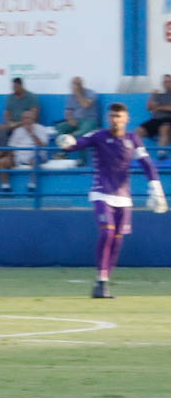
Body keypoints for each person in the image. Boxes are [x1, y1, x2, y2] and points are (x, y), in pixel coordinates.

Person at [59, 103, 164, 298]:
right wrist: (67, 143)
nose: (115, 119)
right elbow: (78, 143)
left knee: (117, 240)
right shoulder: (99, 136)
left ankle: (104, 283)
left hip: (123, 198)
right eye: (112, 116)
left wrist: (156, 188)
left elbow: (147, 163)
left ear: (127, 119)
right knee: (107, 232)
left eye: (119, 116)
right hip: (101, 193)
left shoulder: (133, 140)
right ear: (109, 118)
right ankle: (101, 280)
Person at [7, 108, 52, 191]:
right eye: (24, 118)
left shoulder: (41, 129)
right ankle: (6, 186)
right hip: (20, 156)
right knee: (3, 162)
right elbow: (11, 147)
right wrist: (11, 156)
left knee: (34, 160)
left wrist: (31, 133)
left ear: (33, 119)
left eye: (28, 118)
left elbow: (43, 145)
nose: (26, 120)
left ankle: (32, 185)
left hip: (36, 155)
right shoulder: (17, 131)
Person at [136, 74, 171, 158]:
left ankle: (161, 152)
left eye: (169, 82)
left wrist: (158, 107)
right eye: (165, 82)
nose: (166, 84)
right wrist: (152, 96)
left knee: (164, 129)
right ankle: (140, 154)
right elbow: (149, 107)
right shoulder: (158, 95)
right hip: (156, 120)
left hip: (168, 120)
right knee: (138, 131)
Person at [54, 77, 99, 142]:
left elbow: (85, 105)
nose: (75, 87)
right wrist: (70, 119)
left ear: (81, 85)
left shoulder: (90, 93)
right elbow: (68, 112)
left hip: (88, 120)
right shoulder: (71, 96)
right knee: (60, 127)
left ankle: (76, 147)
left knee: (80, 133)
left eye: (77, 84)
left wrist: (78, 94)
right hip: (76, 120)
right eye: (73, 84)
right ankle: (63, 150)